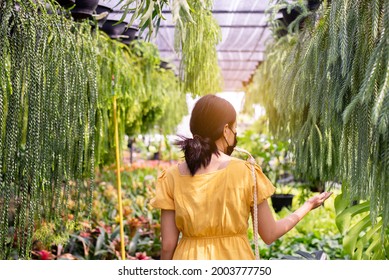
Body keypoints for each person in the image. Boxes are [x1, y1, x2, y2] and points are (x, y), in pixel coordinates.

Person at [150, 94, 332, 260]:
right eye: (235, 128)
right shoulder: (246, 172)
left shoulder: (171, 177)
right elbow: (269, 233)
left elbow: (167, 245)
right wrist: (308, 205)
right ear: (226, 130)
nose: (236, 133)